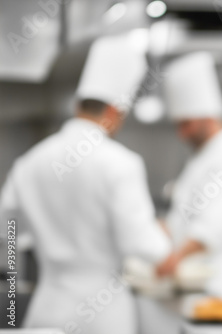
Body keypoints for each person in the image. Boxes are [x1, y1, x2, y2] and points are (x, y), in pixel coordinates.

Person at [0, 32, 171, 334]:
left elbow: (7, 229)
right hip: (104, 313)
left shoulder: (30, 162)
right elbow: (142, 244)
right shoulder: (120, 163)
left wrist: (15, 278)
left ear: (80, 104)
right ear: (116, 112)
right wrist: (161, 235)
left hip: (47, 307)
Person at [157, 52, 222, 298]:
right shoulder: (201, 158)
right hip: (191, 281)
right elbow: (181, 219)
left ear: (207, 116)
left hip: (218, 283)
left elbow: (212, 229)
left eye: (186, 123)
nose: (182, 134)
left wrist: (174, 258)